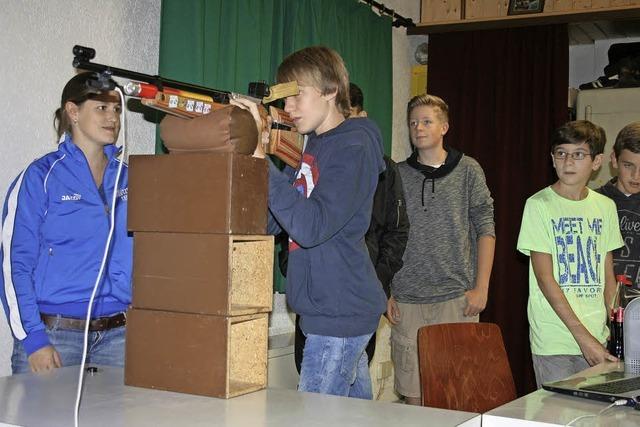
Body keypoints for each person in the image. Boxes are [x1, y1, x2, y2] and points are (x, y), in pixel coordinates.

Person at [231, 46, 387, 399]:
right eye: (284, 100)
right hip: (328, 310)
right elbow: (276, 224)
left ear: (331, 91)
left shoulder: (354, 146)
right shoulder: (311, 145)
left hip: (339, 312)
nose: (288, 108)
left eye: (297, 95)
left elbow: (312, 226)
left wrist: (260, 160)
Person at [0, 72, 132, 374]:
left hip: (120, 338)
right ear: (73, 112)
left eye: (116, 109)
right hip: (56, 337)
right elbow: (13, 264)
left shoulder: (131, 179)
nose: (113, 117)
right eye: (101, 108)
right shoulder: (39, 177)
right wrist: (33, 339)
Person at [288, 82, 409, 373]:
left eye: (298, 96)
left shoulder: (364, 155)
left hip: (344, 301)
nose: (290, 107)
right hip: (321, 298)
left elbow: (393, 230)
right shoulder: (315, 151)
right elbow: (296, 214)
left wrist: (379, 280)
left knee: (318, 410)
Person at [389, 94, 495, 405]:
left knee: (455, 396)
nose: (418, 128)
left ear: (444, 126)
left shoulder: (468, 170)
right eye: (412, 123)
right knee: (414, 398)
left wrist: (481, 288)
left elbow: (485, 229)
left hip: (456, 300)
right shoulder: (396, 174)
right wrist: (387, 290)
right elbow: (383, 235)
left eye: (426, 121)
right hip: (407, 302)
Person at [517, 120, 622, 388]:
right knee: (560, 417)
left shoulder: (606, 207)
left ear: (597, 161)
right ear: (552, 159)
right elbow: (544, 278)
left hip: (598, 336)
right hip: (555, 340)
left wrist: (614, 331)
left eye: (578, 154)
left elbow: (607, 276)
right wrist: (582, 337)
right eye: (561, 153)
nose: (568, 162)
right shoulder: (538, 205)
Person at [597, 122, 640, 290]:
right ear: (614, 159)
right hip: (597, 309)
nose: (636, 175)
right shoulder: (590, 202)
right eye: (628, 165)